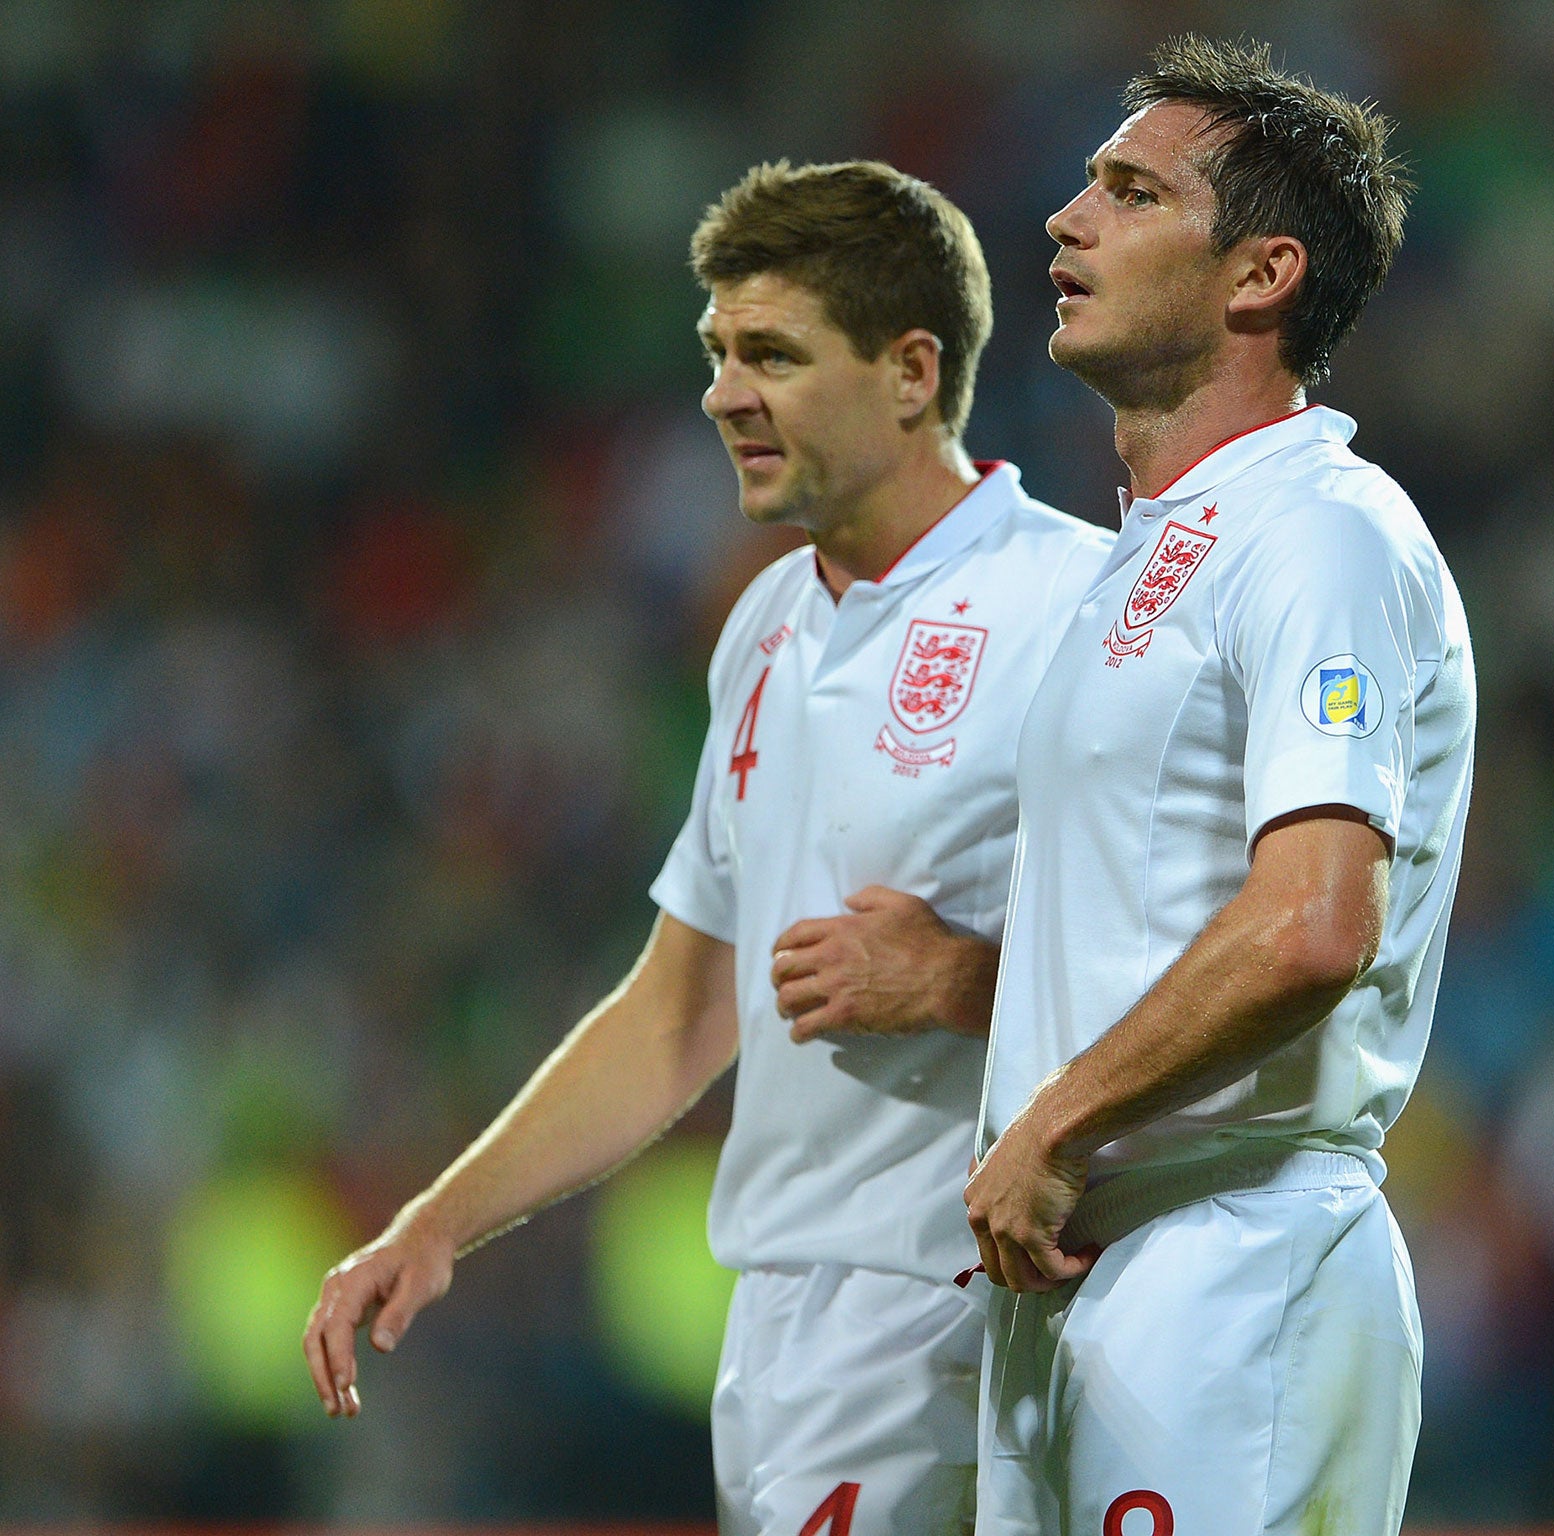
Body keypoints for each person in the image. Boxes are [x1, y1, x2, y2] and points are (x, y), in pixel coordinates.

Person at [304, 159, 1111, 1536]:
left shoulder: (1079, 611)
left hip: (984, 1302)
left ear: (912, 373)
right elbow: (679, 1009)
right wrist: (440, 1219)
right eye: (718, 353)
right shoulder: (763, 633)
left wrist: (965, 978)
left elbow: (1207, 959)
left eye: (774, 355)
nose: (723, 393)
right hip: (791, 1325)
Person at [964, 36, 1474, 1536]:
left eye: (1129, 191)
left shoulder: (1323, 532)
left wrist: (1052, 1124)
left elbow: (1318, 923)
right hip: (1079, 1272)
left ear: (1260, 276)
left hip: (1231, 1262)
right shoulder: (1148, 551)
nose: (1067, 221)